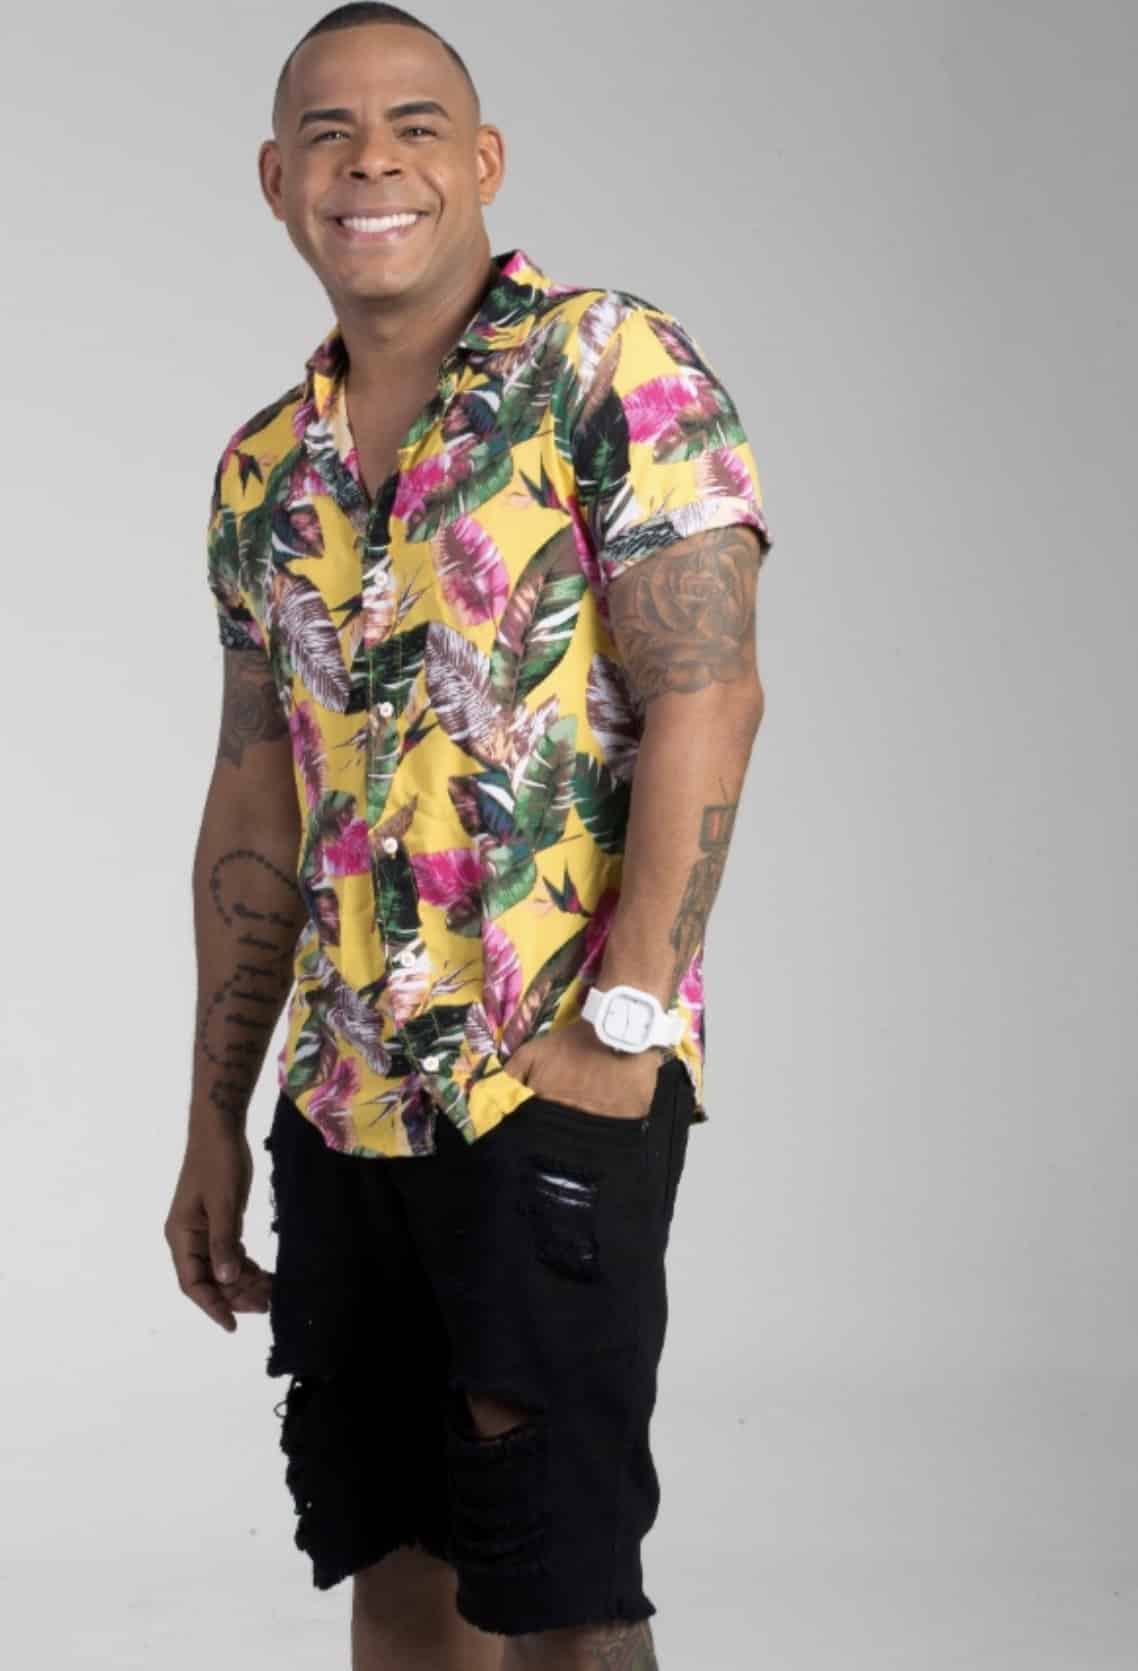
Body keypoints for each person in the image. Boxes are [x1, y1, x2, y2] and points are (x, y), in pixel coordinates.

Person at [164, 4, 775, 1666]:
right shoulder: (262, 472)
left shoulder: (606, 364)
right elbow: (255, 791)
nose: (371, 163)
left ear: (482, 160)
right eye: (331, 134)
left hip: (548, 1074)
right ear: (277, 180)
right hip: (340, 1096)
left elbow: (709, 694)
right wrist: (214, 1119)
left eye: (415, 126)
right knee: (395, 1559)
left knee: (561, 1579)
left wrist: (621, 1027)